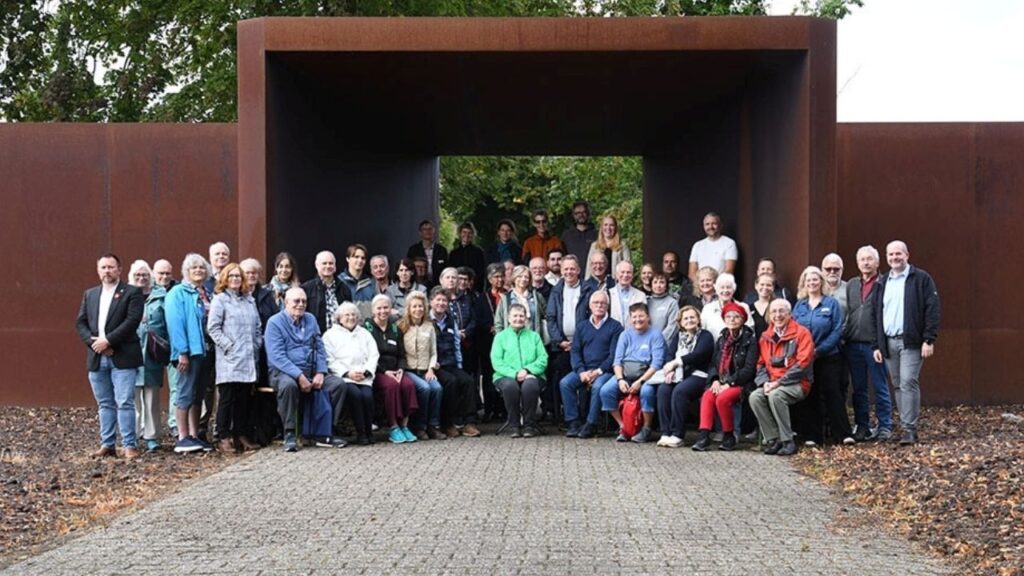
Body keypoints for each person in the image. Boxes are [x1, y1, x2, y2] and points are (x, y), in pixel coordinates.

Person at [75, 253, 144, 459]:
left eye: (111, 267)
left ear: (119, 270)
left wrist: (109, 341)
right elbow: (81, 323)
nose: (107, 271)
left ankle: (129, 445)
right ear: (98, 270)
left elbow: (132, 321)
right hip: (97, 357)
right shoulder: (90, 294)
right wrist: (96, 344)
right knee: (104, 403)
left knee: (124, 401)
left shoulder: (131, 293)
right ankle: (107, 444)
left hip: (122, 356)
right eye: (103, 267)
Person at [873, 240, 940, 446]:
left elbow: (932, 309)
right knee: (898, 384)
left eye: (898, 254)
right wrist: (877, 344)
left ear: (907, 255)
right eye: (891, 255)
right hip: (889, 342)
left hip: (912, 341)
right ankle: (905, 426)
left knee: (909, 381)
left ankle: (909, 429)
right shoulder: (882, 282)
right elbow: (876, 314)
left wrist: (929, 339)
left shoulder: (921, 279)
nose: (894, 258)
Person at [265, 287, 347, 452]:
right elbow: (277, 356)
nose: (300, 304)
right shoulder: (274, 323)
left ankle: (325, 432)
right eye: (296, 301)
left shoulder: (310, 319)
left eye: (303, 301)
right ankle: (289, 433)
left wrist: (320, 372)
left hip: (311, 370)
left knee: (338, 385)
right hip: (284, 372)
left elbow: (319, 348)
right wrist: (299, 376)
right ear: (286, 303)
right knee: (289, 386)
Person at [791, 266, 852, 446]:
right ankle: (812, 436)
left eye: (815, 280)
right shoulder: (799, 305)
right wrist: (805, 352)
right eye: (808, 280)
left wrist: (819, 350)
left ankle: (842, 434)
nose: (812, 283)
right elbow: (794, 330)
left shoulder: (831, 303)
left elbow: (836, 330)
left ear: (821, 282)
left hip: (828, 356)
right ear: (804, 283)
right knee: (811, 395)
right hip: (805, 359)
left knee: (833, 394)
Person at [207, 263, 263, 454]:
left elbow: (257, 327)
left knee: (244, 400)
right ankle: (223, 436)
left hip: (248, 358)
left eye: (238, 276)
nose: (235, 280)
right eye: (231, 276)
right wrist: (228, 346)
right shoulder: (220, 300)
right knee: (227, 399)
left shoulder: (249, 300)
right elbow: (213, 328)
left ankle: (241, 434)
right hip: (229, 359)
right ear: (224, 278)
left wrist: (256, 344)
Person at [749, 299, 815, 456]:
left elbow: (803, 364)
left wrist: (778, 383)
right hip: (772, 383)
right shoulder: (765, 336)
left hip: (798, 383)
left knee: (776, 396)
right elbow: (761, 364)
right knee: (755, 396)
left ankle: (788, 441)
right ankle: (773, 439)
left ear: (789, 314)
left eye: (781, 311)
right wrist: (764, 383)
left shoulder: (802, 333)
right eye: (773, 312)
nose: (777, 315)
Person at [691, 302, 757, 451]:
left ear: (743, 320)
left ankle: (728, 436)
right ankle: (704, 436)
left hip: (741, 383)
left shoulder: (750, 340)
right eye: (728, 316)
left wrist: (729, 383)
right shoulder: (722, 339)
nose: (732, 319)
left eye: (736, 317)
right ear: (724, 319)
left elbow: (749, 369)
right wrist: (714, 379)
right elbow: (714, 363)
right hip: (720, 381)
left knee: (722, 398)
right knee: (708, 396)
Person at [844, 245, 894, 442]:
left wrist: (879, 345)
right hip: (853, 344)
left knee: (880, 386)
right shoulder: (852, 285)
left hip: (874, 346)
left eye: (869, 259)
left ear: (877, 262)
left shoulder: (884, 284)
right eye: (862, 259)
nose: (866, 262)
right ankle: (862, 426)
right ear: (857, 263)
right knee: (859, 388)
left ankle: (884, 426)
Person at [164, 253, 213, 454]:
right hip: (188, 352)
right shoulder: (177, 293)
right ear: (187, 271)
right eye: (194, 268)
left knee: (198, 394)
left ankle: (195, 435)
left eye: (201, 268)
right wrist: (182, 352)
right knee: (184, 392)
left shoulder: (207, 293)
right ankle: (182, 436)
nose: (198, 271)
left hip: (206, 351)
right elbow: (176, 324)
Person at [561, 290, 623, 438]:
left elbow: (614, 355)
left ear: (607, 306)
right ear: (590, 306)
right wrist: (581, 371)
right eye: (596, 303)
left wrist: (598, 371)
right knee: (565, 383)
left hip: (605, 371)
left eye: (603, 303)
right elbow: (575, 351)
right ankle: (574, 422)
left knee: (598, 386)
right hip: (584, 370)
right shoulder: (582, 326)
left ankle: (591, 423)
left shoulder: (615, 327)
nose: (599, 306)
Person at [601, 303, 666, 443]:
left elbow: (656, 364)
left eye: (641, 316)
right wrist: (620, 380)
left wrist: (640, 382)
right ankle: (624, 427)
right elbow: (617, 361)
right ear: (630, 319)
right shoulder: (625, 334)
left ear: (648, 317)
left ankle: (646, 428)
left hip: (647, 375)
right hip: (625, 374)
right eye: (634, 316)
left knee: (647, 392)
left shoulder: (656, 335)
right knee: (606, 391)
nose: (638, 319)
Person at [653, 306, 714, 447]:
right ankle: (665, 432)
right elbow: (669, 354)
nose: (689, 320)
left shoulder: (705, 335)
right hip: (679, 375)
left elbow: (699, 354)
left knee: (680, 391)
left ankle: (677, 434)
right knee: (663, 389)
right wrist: (671, 370)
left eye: (692, 317)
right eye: (685, 318)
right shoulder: (678, 337)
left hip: (698, 374)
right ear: (680, 323)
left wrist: (676, 363)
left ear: (698, 319)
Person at [543, 254, 592, 425]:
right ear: (561, 271)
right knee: (563, 380)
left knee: (584, 380)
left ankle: (584, 416)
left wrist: (579, 343)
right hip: (562, 346)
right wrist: (559, 341)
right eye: (566, 269)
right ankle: (567, 417)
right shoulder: (555, 290)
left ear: (579, 270)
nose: (569, 272)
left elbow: (593, 317)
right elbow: (550, 318)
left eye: (572, 269)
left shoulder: (588, 289)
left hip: (584, 346)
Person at [365, 295, 419, 444]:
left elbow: (402, 354)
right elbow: (367, 356)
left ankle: (405, 426)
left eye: (386, 307)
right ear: (373, 310)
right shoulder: (367, 329)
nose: (383, 311)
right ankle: (393, 426)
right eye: (379, 308)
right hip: (378, 371)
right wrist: (384, 371)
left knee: (408, 385)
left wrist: (401, 369)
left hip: (396, 370)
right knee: (392, 386)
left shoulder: (396, 328)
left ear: (391, 309)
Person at [429, 287, 481, 438]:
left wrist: (459, 365)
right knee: (450, 382)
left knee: (468, 381)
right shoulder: (426, 321)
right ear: (431, 302)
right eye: (438, 300)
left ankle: (469, 423)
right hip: (435, 365)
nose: (441, 303)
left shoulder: (451, 320)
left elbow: (457, 344)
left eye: (444, 300)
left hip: (451, 363)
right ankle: (448, 423)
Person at [491, 303, 549, 437]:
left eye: (521, 316)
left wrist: (527, 370)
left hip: (532, 375)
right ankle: (514, 425)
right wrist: (515, 374)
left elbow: (543, 358)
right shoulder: (500, 337)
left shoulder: (534, 336)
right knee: (510, 387)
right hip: (505, 375)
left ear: (526, 318)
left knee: (530, 386)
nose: (518, 319)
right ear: (509, 318)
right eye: (515, 316)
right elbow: (497, 361)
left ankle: (529, 425)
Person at [323, 302, 377, 446]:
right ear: (339, 318)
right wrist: (347, 373)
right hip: (344, 377)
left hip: (363, 376)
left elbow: (373, 355)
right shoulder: (329, 335)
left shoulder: (364, 333)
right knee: (356, 396)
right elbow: (329, 359)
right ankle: (361, 433)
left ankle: (368, 432)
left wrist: (366, 371)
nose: (350, 318)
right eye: (346, 315)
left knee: (367, 397)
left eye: (353, 314)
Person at [240, 257, 280, 447]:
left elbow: (274, 321)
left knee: (263, 393)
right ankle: (244, 432)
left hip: (264, 351)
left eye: (254, 272)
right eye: (248, 272)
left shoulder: (266, 295)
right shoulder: (237, 295)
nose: (251, 276)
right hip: (242, 353)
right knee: (244, 394)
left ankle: (264, 432)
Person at [128, 260, 166, 453]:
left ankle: (151, 436)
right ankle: (131, 436)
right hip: (130, 353)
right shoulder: (126, 296)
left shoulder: (160, 296)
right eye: (137, 275)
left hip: (152, 354)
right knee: (131, 397)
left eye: (144, 275)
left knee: (151, 397)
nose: (141, 278)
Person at [398, 291, 445, 440]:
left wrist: (431, 368)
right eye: (414, 306)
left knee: (437, 388)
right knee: (424, 389)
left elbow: (433, 351)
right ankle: (419, 426)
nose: (418, 309)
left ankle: (433, 425)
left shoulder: (429, 327)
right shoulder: (401, 326)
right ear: (409, 308)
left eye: (421, 306)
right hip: (409, 369)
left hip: (426, 369)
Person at [153, 258, 182, 438]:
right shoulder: (146, 292)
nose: (164, 277)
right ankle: (147, 428)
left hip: (173, 346)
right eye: (160, 273)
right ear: (154, 274)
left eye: (167, 273)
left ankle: (174, 424)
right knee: (148, 388)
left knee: (176, 387)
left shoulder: (177, 291)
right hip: (151, 347)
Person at [477, 263, 507, 422]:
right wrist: (490, 328)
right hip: (488, 342)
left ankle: (504, 408)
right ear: (489, 279)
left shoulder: (509, 295)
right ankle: (490, 409)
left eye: (502, 276)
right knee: (488, 375)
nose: (500, 279)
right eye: (496, 276)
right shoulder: (482, 297)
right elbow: (478, 318)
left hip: (506, 342)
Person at [301, 251, 352, 334]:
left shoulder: (344, 289)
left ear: (335, 266)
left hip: (341, 338)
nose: (328, 266)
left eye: (331, 263)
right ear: (317, 265)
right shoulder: (306, 289)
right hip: (316, 338)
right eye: (324, 263)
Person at [494, 265, 548, 341]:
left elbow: (547, 316)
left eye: (526, 277)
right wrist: (502, 341)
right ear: (514, 278)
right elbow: (498, 322)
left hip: (533, 340)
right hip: (512, 341)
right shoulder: (505, 298)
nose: (523, 279)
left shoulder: (537, 296)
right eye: (520, 276)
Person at [700, 273, 753, 341]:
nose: (725, 290)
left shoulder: (743, 307)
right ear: (716, 289)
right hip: (712, 349)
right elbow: (701, 332)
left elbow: (750, 332)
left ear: (733, 290)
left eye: (728, 287)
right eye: (722, 287)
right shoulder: (708, 309)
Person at [687, 212, 737, 283]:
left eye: (714, 223)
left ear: (720, 225)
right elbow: (692, 274)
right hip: (700, 289)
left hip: (721, 288)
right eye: (707, 224)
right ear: (704, 226)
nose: (710, 227)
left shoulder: (729, 243)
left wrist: (714, 285)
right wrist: (702, 286)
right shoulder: (697, 245)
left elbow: (729, 271)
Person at [586, 214, 631, 279]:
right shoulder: (594, 246)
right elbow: (589, 268)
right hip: (598, 285)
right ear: (601, 227)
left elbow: (628, 267)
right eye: (605, 225)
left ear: (615, 228)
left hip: (617, 284)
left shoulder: (622, 245)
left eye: (611, 225)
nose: (608, 228)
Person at [339, 244, 375, 320]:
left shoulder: (371, 283)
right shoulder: (339, 282)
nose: (360, 260)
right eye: (356, 257)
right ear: (347, 259)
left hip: (367, 327)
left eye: (363, 258)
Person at [407, 219, 448, 284]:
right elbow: (409, 268)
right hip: (418, 284)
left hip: (438, 284)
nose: (427, 231)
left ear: (434, 231)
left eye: (430, 229)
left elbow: (446, 269)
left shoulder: (442, 250)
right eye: (424, 229)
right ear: (420, 232)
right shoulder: (413, 250)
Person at [449, 222, 487, 291]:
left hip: (474, 288)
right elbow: (452, 270)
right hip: (457, 287)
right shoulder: (454, 253)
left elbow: (481, 272)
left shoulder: (478, 252)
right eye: (464, 232)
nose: (466, 235)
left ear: (473, 235)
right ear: (460, 234)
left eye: (469, 233)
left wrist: (472, 282)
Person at [608, 261, 647, 325]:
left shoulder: (641, 295)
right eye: (622, 272)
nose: (625, 275)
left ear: (632, 275)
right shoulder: (608, 294)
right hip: (613, 333)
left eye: (628, 272)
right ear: (617, 275)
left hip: (634, 333)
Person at [647, 273, 680, 346]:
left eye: (662, 282)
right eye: (655, 282)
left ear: (666, 286)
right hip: (647, 343)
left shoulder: (672, 303)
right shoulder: (646, 302)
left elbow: (672, 326)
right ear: (651, 286)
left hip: (665, 344)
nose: (658, 285)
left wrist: (658, 341)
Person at [749, 273, 777, 339]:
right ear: (756, 286)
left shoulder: (777, 306)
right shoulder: (749, 308)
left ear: (773, 287)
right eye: (762, 284)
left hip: (772, 346)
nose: (765, 287)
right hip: (755, 347)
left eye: (768, 285)